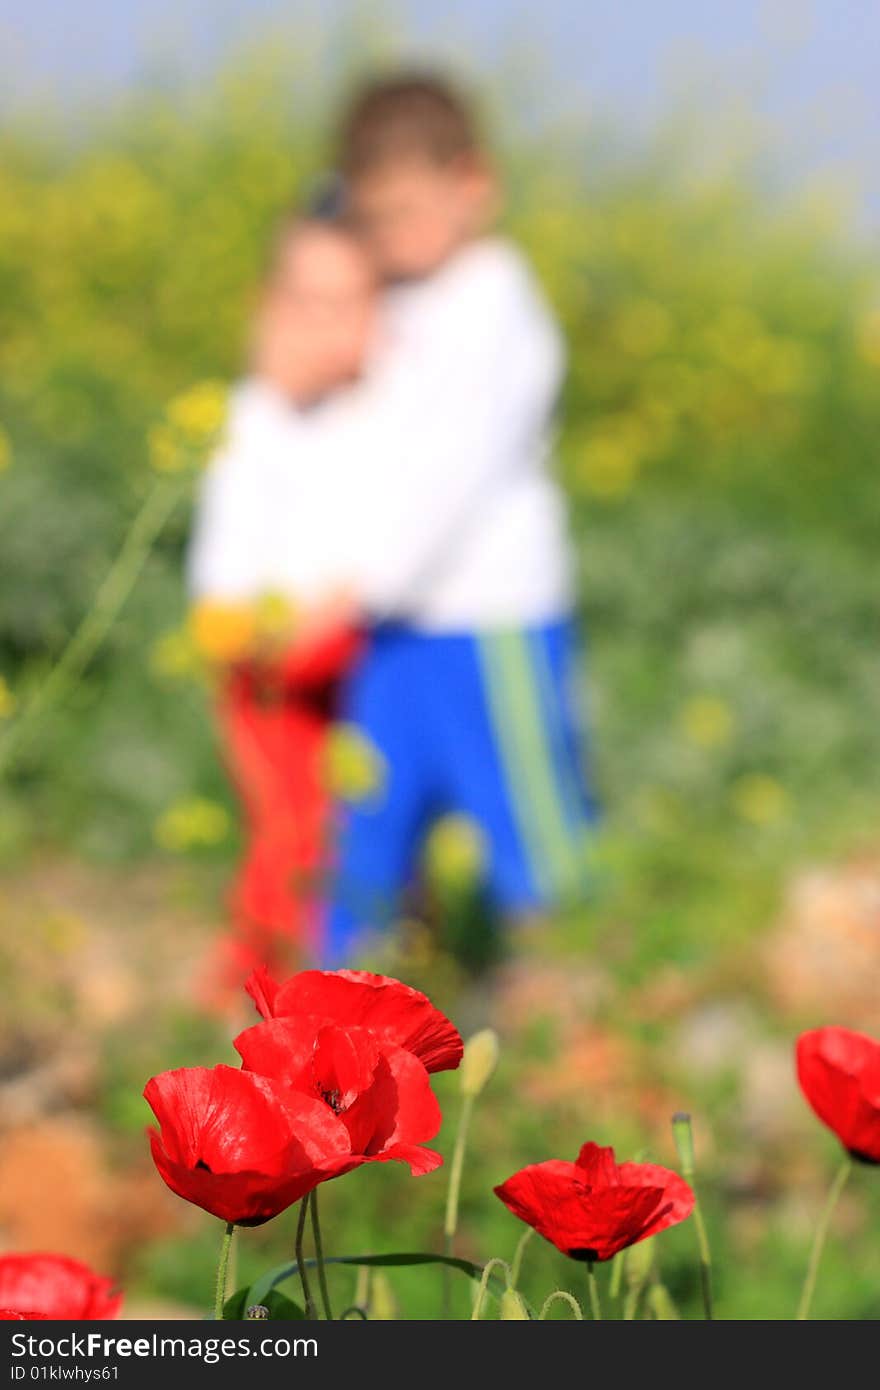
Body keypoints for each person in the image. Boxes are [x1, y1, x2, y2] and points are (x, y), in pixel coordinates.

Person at [248, 72, 599, 968]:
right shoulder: (394, 295)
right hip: (389, 631)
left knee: (531, 835)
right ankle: (329, 1045)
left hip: (489, 621)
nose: (393, 236)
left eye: (408, 210)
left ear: (474, 186)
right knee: (363, 841)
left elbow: (447, 482)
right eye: (374, 216)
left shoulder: (495, 306)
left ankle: (582, 1026)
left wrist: (349, 590)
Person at [186, 211, 374, 998]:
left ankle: (347, 975)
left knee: (348, 826)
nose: (321, 328)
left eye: (345, 306)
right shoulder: (254, 413)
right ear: (268, 309)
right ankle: (254, 987)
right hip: (257, 654)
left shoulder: (377, 411)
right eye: (303, 304)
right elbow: (225, 567)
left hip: (345, 650)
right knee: (288, 830)